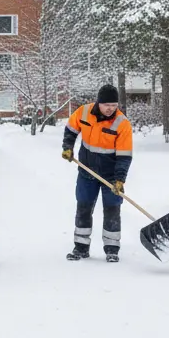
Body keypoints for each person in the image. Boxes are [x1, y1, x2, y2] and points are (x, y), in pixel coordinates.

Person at [60, 84, 133, 263]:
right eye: (107, 104)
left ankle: (112, 249)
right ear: (98, 102)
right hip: (86, 170)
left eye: (114, 105)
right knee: (83, 207)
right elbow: (70, 129)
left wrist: (119, 179)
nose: (110, 109)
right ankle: (81, 248)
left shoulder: (122, 123)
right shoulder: (83, 113)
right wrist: (67, 148)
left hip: (110, 175)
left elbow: (124, 156)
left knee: (112, 210)